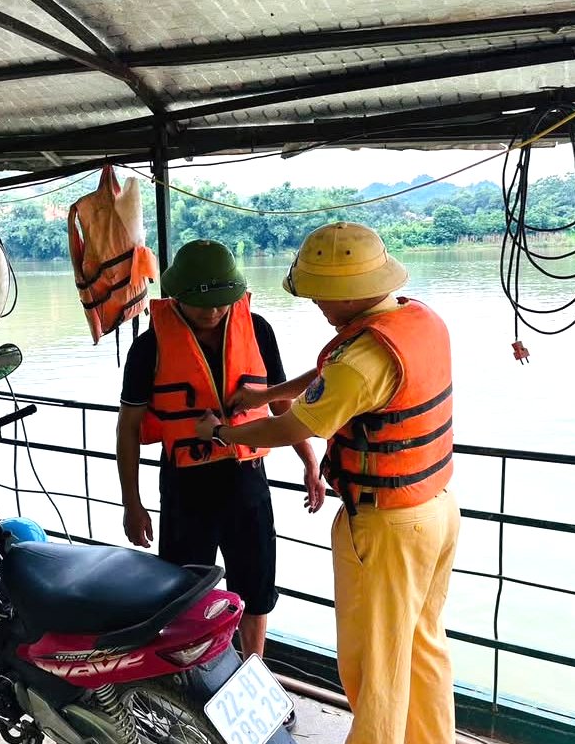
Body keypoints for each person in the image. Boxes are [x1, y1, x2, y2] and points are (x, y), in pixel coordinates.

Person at [194, 222, 460, 744]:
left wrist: (222, 430)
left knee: (374, 662)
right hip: (436, 508)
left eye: (321, 292)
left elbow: (298, 422)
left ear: (346, 292)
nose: (315, 302)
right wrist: (261, 394)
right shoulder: (415, 320)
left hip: (387, 526)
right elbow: (328, 383)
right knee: (422, 645)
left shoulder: (362, 360)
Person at [116, 239, 325, 672]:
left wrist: (309, 462)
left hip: (247, 477)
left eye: (221, 302)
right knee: (183, 589)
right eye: (201, 304)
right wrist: (132, 504)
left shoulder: (259, 330)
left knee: (257, 585)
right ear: (177, 297)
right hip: (185, 485)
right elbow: (129, 428)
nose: (213, 312)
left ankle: (256, 676)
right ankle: (193, 679)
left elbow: (282, 404)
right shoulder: (149, 347)